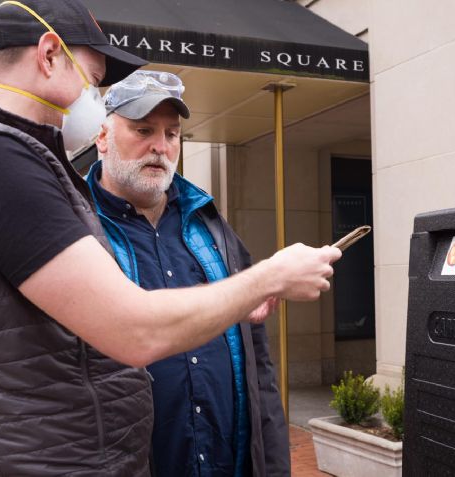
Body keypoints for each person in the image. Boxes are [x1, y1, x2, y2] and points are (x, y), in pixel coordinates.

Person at [0, 1, 341, 475]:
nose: (94, 99)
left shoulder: (5, 156)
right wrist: (268, 278)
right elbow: (134, 331)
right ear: (49, 55)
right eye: (93, 81)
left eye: (173, 134)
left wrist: (235, 300)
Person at [87, 70, 288, 476]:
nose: (160, 147)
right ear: (103, 136)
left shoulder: (209, 223)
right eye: (143, 129)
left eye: (172, 134)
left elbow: (258, 365)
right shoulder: (76, 230)